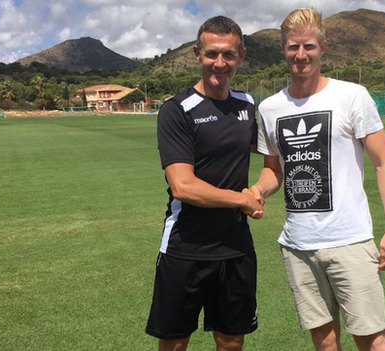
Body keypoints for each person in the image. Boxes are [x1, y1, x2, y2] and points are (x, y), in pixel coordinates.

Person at [250, 8, 385, 351]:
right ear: (283, 49)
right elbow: (274, 168)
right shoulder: (270, 108)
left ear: (323, 47)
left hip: (349, 239)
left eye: (308, 46)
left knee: (372, 338)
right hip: (298, 244)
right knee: (325, 340)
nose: (300, 55)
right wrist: (258, 190)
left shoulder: (352, 96)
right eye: (293, 47)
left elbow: (383, 163)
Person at [145, 16, 262, 351]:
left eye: (228, 54)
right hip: (185, 248)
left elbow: (269, 154)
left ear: (241, 55)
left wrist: (261, 188)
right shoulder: (176, 110)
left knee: (231, 342)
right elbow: (183, 186)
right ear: (197, 53)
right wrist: (242, 200)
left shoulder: (247, 106)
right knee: (175, 345)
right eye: (212, 54)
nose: (219, 63)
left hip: (236, 248)